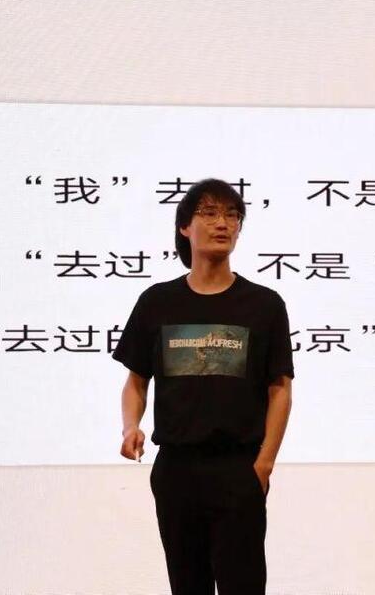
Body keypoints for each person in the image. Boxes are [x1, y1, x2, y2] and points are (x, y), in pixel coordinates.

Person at [111, 177, 295, 595]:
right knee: (186, 585)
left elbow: (280, 389)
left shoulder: (264, 305)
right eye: (209, 213)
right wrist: (130, 427)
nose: (223, 223)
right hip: (176, 469)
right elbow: (136, 380)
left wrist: (263, 466)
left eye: (232, 215)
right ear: (184, 227)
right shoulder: (157, 302)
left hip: (238, 468)